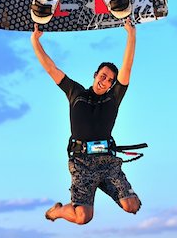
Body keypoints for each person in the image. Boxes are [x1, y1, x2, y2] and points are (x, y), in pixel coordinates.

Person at [31, 18, 141, 225]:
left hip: (107, 161)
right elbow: (50, 68)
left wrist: (131, 35)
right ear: (95, 75)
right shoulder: (76, 92)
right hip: (82, 161)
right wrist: (35, 41)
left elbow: (127, 67)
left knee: (132, 206)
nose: (105, 81)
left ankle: (100, 184)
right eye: (103, 76)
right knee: (83, 218)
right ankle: (56, 212)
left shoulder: (113, 97)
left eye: (110, 80)